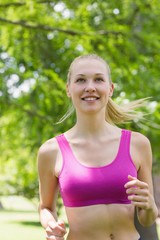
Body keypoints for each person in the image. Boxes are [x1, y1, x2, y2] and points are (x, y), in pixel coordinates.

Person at [37, 54, 158, 240]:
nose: (90, 87)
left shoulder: (138, 144)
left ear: (110, 89)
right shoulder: (51, 151)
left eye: (99, 79)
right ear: (69, 89)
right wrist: (51, 226)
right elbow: (46, 207)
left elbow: (146, 218)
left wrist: (150, 206)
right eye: (81, 80)